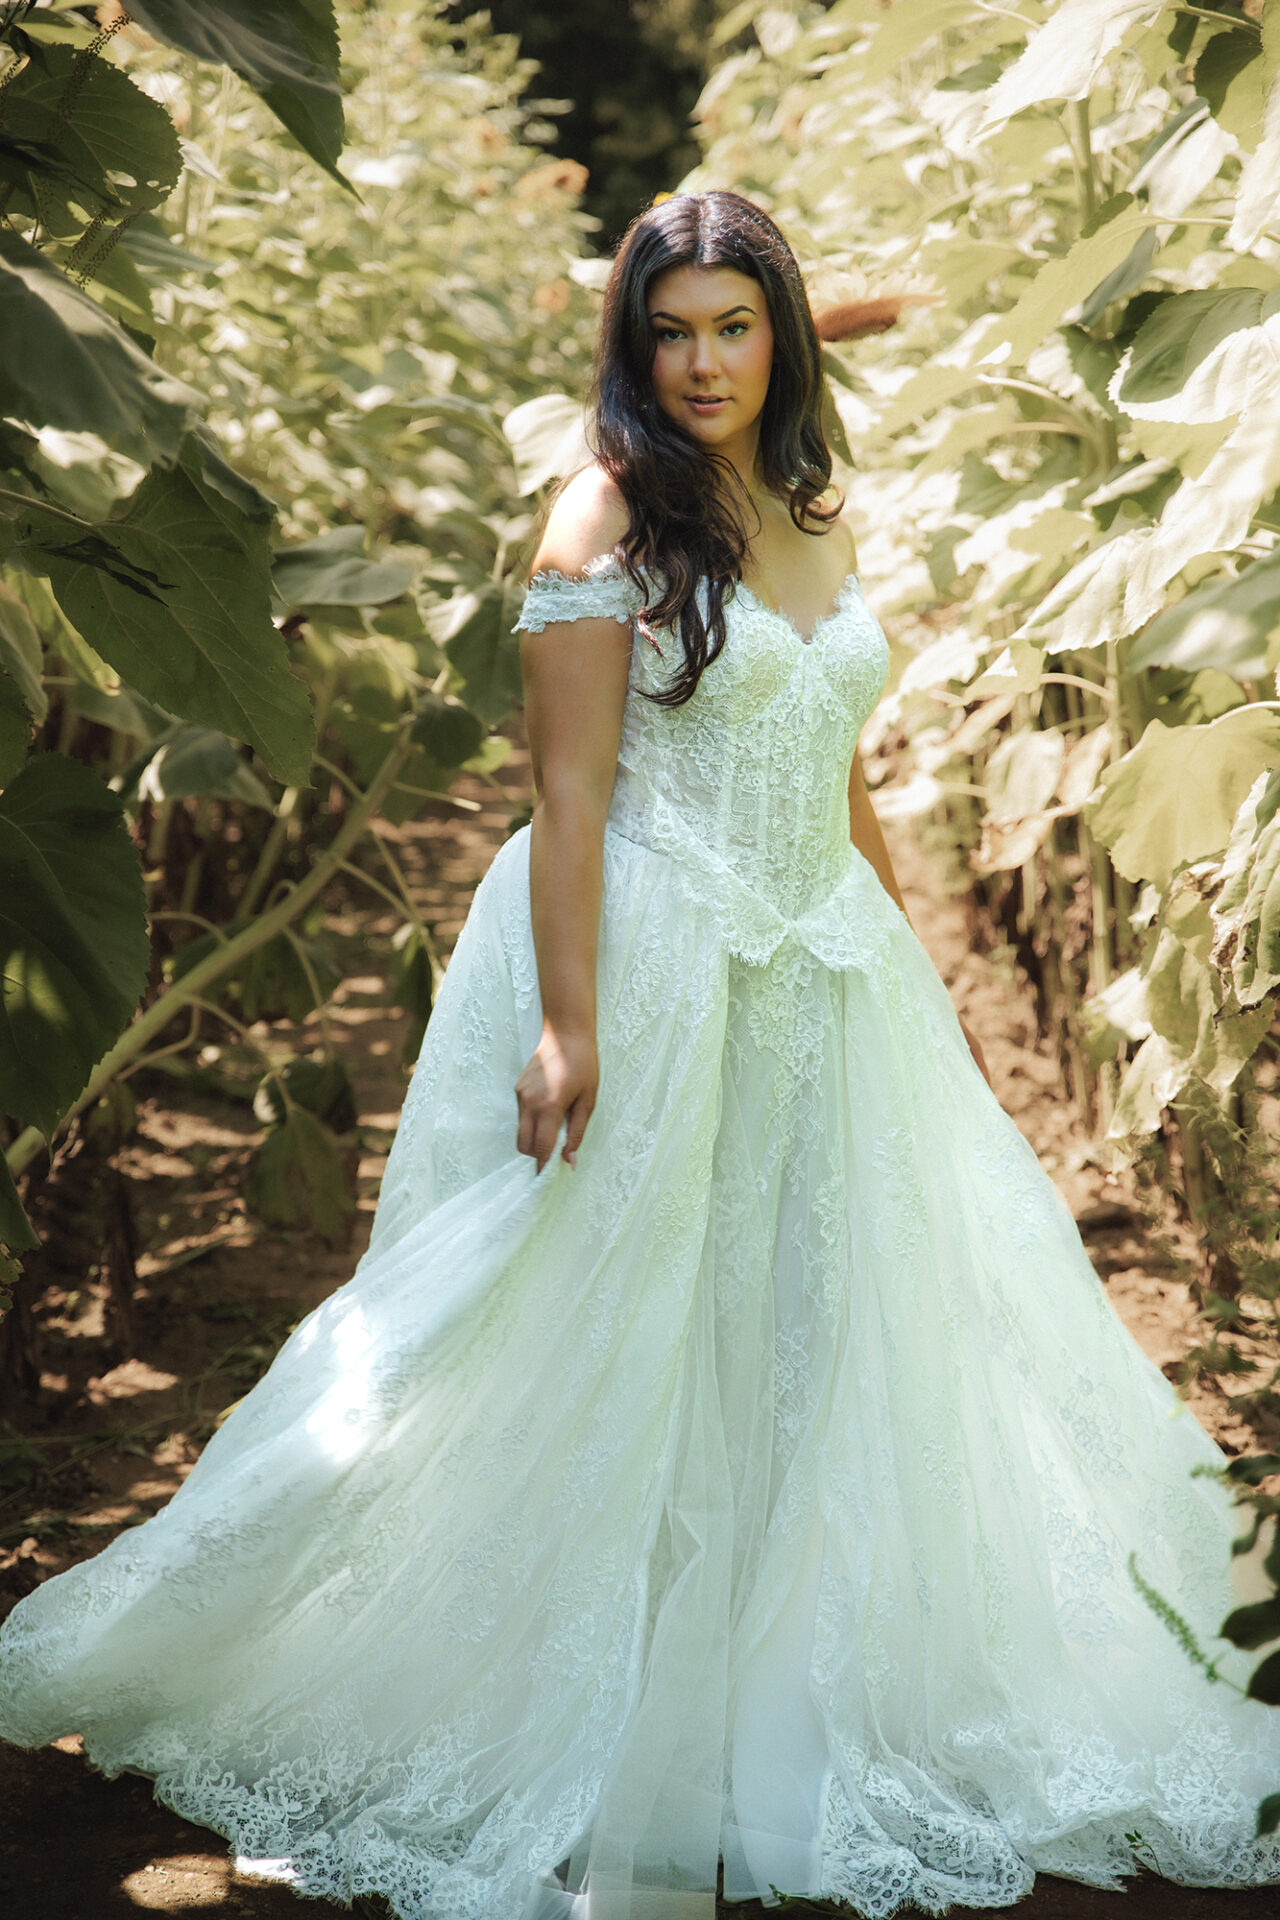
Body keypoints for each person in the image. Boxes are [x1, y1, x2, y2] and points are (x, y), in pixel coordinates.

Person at [1, 189, 1278, 1920]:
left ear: (780, 336)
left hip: (823, 964)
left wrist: (914, 977)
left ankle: (782, 1705)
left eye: (734, 326)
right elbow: (570, 787)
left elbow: (835, 768)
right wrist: (567, 1021)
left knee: (822, 1328)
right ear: (631, 344)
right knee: (590, 1326)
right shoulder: (602, 512)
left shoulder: (814, 503)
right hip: (661, 954)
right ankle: (558, 1698)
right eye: (668, 332)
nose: (702, 363)